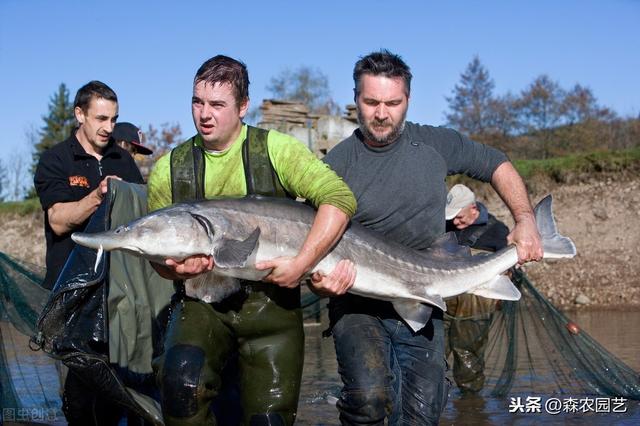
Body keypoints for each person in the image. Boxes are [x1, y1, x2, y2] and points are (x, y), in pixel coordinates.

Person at [322, 50, 542, 425]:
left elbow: (497, 164)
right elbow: (310, 241)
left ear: (408, 99)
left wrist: (525, 219)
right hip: (357, 301)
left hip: (425, 290)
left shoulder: (435, 144)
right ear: (356, 98)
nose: (381, 113)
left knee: (423, 414)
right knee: (369, 402)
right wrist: (318, 279)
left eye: (392, 102)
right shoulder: (335, 164)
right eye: (371, 101)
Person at [146, 54, 357, 426]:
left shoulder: (277, 150)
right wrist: (173, 268)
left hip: (270, 306)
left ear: (243, 107)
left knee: (269, 422)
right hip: (201, 303)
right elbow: (157, 261)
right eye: (197, 102)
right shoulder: (168, 168)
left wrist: (301, 265)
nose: (204, 114)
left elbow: (339, 201)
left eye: (217, 104)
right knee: (181, 387)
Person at [33, 80, 144, 425]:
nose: (108, 128)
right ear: (79, 114)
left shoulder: (122, 159)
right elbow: (58, 221)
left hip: (119, 292)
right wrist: (98, 195)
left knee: (121, 385)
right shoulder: (56, 160)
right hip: (75, 296)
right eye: (101, 118)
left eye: (113, 119)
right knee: (83, 389)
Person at [443, 184, 510, 394]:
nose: (454, 221)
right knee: (431, 355)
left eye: (459, 216)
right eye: (451, 217)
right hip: (444, 299)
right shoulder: (444, 226)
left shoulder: (497, 231)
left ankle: (471, 409)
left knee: (467, 358)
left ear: (473, 208)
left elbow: (508, 268)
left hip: (476, 304)